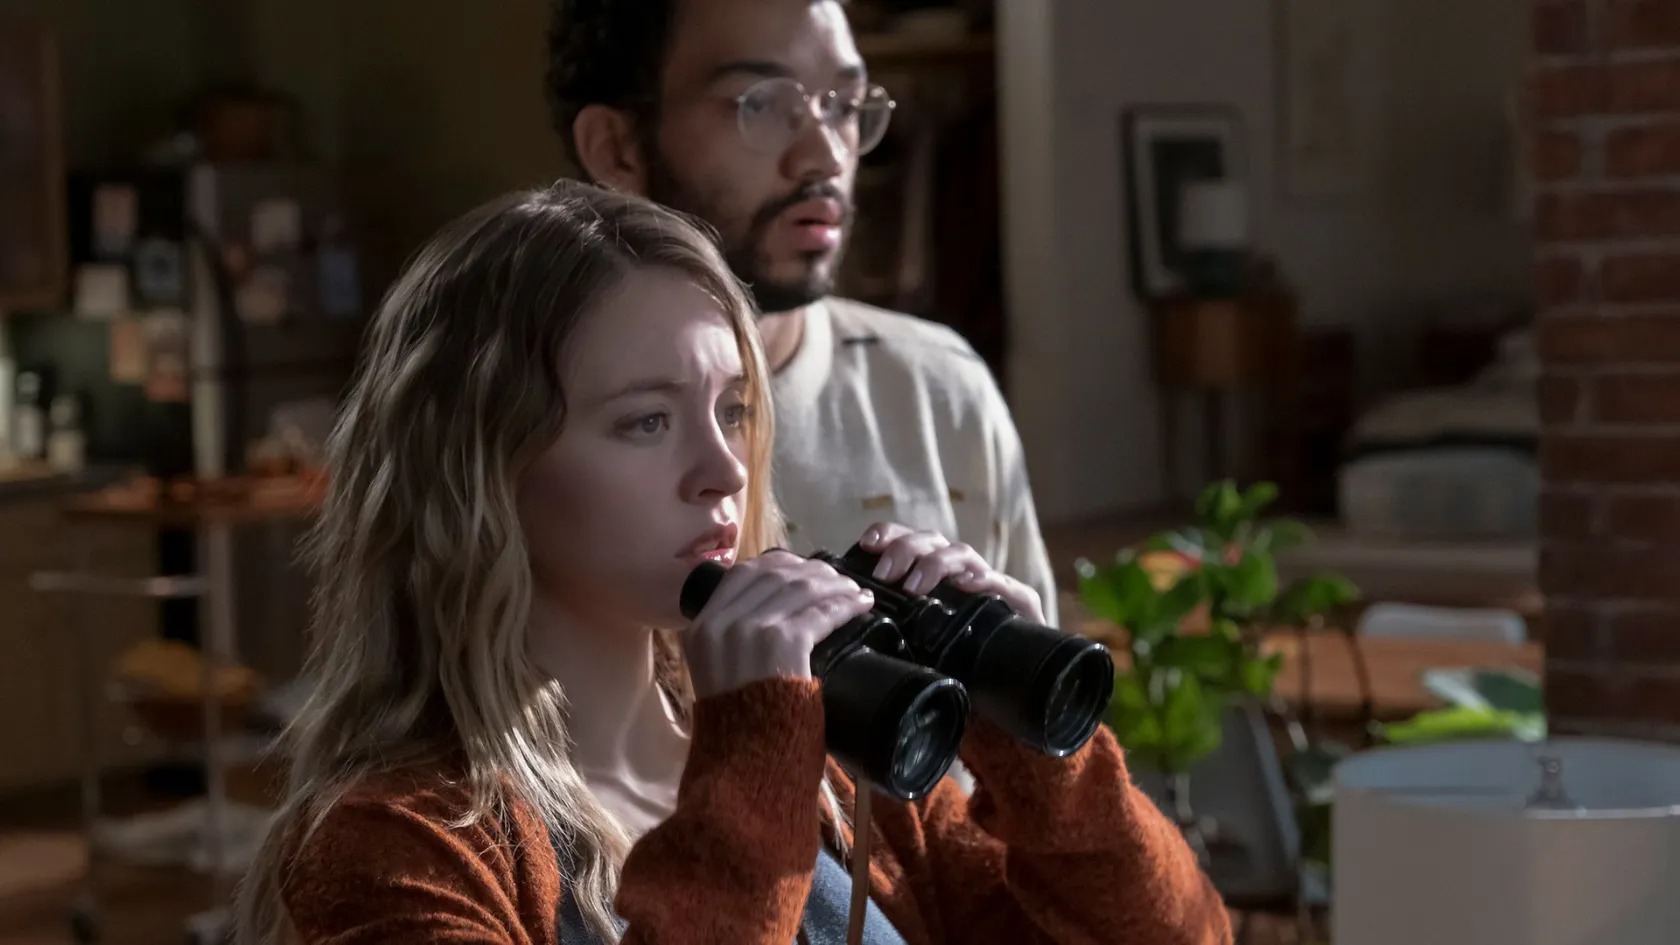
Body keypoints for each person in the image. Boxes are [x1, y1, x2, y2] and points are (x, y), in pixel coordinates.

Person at [231, 182, 1226, 944]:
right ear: (485, 470)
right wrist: (751, 766)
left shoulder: (837, 761)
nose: (723, 470)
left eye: (734, 410)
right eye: (647, 421)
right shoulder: (394, 846)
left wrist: (1041, 754)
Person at [546, 0, 1061, 626]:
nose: (826, 157)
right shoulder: (532, 418)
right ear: (617, 148)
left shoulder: (939, 390)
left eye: (844, 106)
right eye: (761, 104)